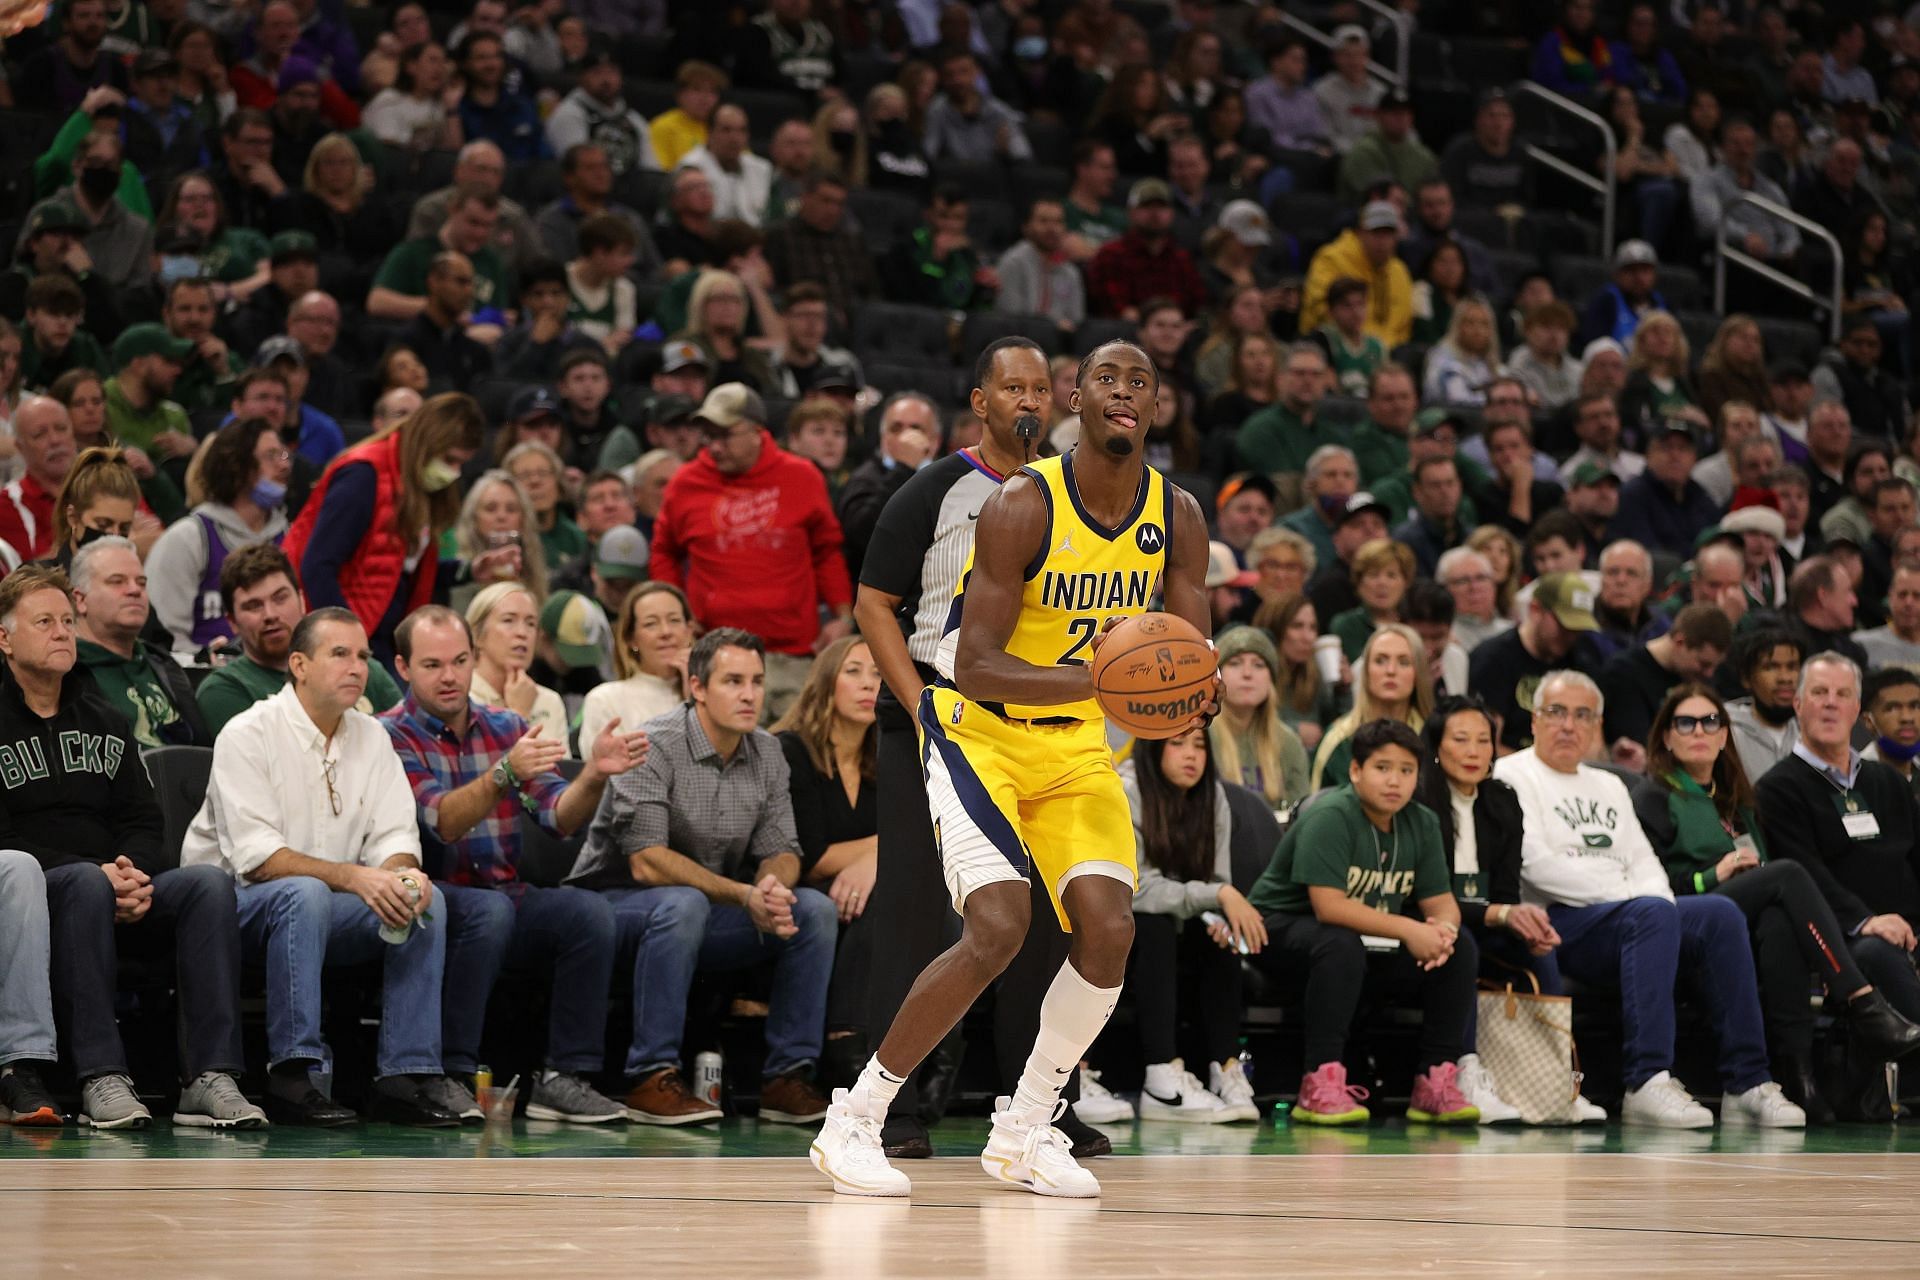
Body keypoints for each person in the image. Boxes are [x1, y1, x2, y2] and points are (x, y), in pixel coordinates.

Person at [811, 339, 1214, 1198]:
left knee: (1107, 930)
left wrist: (1190, 693)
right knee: (996, 926)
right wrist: (1106, 678)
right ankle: (856, 1117)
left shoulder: (1178, 515)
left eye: (1140, 382)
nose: (1123, 392)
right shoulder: (1022, 505)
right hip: (979, 728)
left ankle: (1026, 1127)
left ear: (1155, 408)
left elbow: (1186, 658)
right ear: (1077, 396)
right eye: (1107, 377)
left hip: (1076, 742)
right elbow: (979, 661)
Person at [855, 335, 1108, 1157]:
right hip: (938, 717)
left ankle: (1034, 1108)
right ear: (983, 401)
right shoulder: (936, 487)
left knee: (1039, 923)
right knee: (915, 914)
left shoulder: (1076, 497)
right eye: (1015, 389)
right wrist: (916, 702)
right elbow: (872, 604)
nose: (1031, 402)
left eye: (1043, 390)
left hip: (1039, 722)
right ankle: (889, 1106)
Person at [181, 607, 465, 1127]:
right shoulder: (249, 733)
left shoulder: (373, 737)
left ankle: (404, 1076)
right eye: (339, 654)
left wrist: (402, 875)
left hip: (321, 909)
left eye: (362, 655)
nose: (357, 667)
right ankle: (294, 1073)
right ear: (299, 664)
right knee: (304, 893)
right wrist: (359, 877)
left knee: (425, 900)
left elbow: (395, 837)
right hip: (232, 913)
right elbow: (260, 860)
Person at [1, 564, 262, 1130]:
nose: (62, 632)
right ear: (4, 638)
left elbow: (145, 821)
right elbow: (3, 838)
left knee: (207, 885)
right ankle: (100, 1075)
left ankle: (209, 1076)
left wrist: (134, 874)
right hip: (35, 888)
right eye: (43, 621)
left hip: (114, 883)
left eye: (68, 621)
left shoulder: (105, 716)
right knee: (83, 884)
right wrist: (95, 872)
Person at [1494, 670, 1803, 1128]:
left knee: (1719, 913)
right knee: (1652, 911)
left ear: (1597, 724)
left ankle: (1747, 1083)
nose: (1568, 725)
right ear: (1535, 720)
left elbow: (1644, 862)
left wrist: (1649, 900)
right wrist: (1636, 899)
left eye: (1582, 715)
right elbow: (1535, 866)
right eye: (1556, 712)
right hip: (1555, 922)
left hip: (1626, 915)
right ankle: (1646, 1080)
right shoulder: (1511, 775)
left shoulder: (1609, 785)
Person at [382, 604, 650, 1124]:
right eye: (433, 665)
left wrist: (594, 773)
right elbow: (443, 821)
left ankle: (563, 1076)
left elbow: (558, 818)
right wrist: (504, 773)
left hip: (504, 892)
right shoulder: (390, 735)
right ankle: (453, 1073)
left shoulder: (507, 726)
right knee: (488, 912)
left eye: (460, 661)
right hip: (430, 896)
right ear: (402, 667)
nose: (450, 676)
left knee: (588, 914)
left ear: (475, 658)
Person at [565, 627, 833, 1127]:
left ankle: (784, 1077)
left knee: (812, 909)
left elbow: (783, 849)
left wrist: (773, 885)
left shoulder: (768, 751)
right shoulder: (654, 744)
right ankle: (650, 1075)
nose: (750, 694)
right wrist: (745, 893)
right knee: (681, 902)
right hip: (612, 909)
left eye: (756, 681)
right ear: (698, 688)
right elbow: (646, 860)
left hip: (704, 910)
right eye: (733, 681)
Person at [1636, 681, 1920, 1121]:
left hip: (1742, 917)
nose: (1699, 731)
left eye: (1711, 721)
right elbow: (1646, 883)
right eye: (1685, 722)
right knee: (1787, 874)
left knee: (1780, 922)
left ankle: (1797, 1076)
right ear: (1667, 737)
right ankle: (1861, 999)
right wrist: (1713, 874)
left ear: (1725, 734)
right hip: (1685, 915)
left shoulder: (1736, 799)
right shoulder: (1653, 796)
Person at [1249, 719, 1481, 1125]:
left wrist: (1441, 932)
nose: (1395, 781)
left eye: (1406, 771)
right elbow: (1329, 907)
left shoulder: (1422, 822)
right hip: (1277, 929)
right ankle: (1319, 1082)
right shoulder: (1331, 815)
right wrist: (1412, 930)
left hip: (1360, 940)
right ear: (1355, 771)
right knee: (1338, 943)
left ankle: (1435, 1082)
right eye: (1382, 768)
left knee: (1460, 947)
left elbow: (1442, 902)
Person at [647, 384, 851, 722]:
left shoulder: (801, 476)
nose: (714, 445)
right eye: (708, 435)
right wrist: (677, 614)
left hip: (792, 655)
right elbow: (663, 552)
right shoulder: (685, 483)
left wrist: (842, 617)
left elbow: (827, 551)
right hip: (715, 655)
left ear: (758, 432)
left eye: (725, 435)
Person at [1415, 695, 1566, 1123]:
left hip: (1488, 916)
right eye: (1460, 739)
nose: (1474, 751)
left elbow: (1506, 889)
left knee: (1540, 945)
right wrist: (1500, 914)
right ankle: (1464, 1071)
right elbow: (1428, 894)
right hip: (1431, 921)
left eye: (1484, 741)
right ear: (1437, 747)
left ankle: (1551, 1081)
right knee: (1459, 942)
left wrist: (1522, 920)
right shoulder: (1420, 802)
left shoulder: (1502, 800)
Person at [1756, 653, 1920, 1043]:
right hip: (1843, 935)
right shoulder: (1777, 789)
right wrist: (1867, 921)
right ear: (1798, 705)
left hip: (1908, 926)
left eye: (1842, 693)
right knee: (1876, 954)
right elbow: (1805, 874)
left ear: (1858, 710)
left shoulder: (1887, 781)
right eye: (1819, 692)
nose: (1830, 702)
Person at [282, 393, 490, 668]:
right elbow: (317, 566)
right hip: (353, 640)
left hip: (386, 639)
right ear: (427, 443)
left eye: (461, 463)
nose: (454, 472)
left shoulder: (416, 485)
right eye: (450, 459)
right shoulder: (363, 476)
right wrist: (345, 643)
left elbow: (398, 572)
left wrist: (468, 570)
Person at [1117, 726, 1259, 1122]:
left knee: (1219, 937)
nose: (1191, 755)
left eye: (1199, 744)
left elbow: (1217, 883)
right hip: (1126, 929)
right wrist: (1217, 898)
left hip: (1184, 924)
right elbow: (1137, 890)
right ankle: (1161, 1079)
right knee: (1156, 926)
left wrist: (1218, 916)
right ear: (1153, 746)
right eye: (1177, 743)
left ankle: (1225, 1070)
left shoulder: (1213, 798)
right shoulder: (1127, 790)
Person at [771, 635, 881, 1078]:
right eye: (853, 671)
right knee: (881, 899)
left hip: (866, 889)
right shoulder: (791, 749)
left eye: (877, 674)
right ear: (824, 682)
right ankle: (844, 1042)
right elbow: (810, 854)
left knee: (918, 902)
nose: (867, 684)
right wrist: (886, 849)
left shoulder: (888, 755)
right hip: (796, 887)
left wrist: (877, 861)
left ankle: (938, 1054)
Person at [194, 543, 403, 736]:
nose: (270, 614)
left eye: (280, 598)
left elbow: (405, 743)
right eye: (253, 605)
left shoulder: (362, 669)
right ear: (232, 621)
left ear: (302, 601)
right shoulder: (224, 690)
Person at [144, 416, 291, 653]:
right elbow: (162, 641)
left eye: (284, 455)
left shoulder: (291, 537)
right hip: (203, 678)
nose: (284, 465)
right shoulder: (188, 538)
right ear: (238, 466)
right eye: (271, 456)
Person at [70, 536, 210, 748]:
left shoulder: (162, 664)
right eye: (117, 581)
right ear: (80, 600)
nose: (134, 590)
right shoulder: (64, 674)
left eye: (141, 583)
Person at [1468, 573, 1599, 753]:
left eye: (1577, 629)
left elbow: (1594, 743)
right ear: (1535, 609)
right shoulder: (1493, 659)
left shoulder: (1583, 661)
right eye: (1564, 626)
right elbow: (1486, 746)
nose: (1570, 636)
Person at [1311, 622, 1431, 790]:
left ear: (1418, 673)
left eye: (1404, 662)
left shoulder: (1435, 739)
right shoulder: (1339, 740)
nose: (1391, 670)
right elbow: (1317, 808)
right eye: (1380, 661)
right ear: (1366, 671)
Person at [1598, 603, 1733, 753]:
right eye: (1703, 664)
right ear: (1679, 642)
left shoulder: (1695, 675)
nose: (1709, 674)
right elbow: (1638, 750)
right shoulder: (1623, 674)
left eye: (1715, 666)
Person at [836, 392, 940, 579]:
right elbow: (862, 536)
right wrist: (904, 468)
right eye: (896, 428)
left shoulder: (950, 478)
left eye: (916, 428)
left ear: (934, 441)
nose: (905, 437)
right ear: (883, 437)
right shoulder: (864, 478)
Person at [1209, 625, 1310, 811]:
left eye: (1258, 665)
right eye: (1235, 663)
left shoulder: (1289, 744)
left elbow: (1300, 816)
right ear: (1217, 676)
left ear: (1271, 680)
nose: (1247, 674)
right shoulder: (1201, 737)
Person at [1084, 179, 1207, 322]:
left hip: (1178, 334)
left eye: (1161, 207)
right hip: (1126, 337)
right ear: (1130, 212)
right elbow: (1115, 309)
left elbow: (1196, 306)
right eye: (1146, 206)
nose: (1155, 214)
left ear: (1172, 213)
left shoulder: (1181, 258)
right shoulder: (1111, 255)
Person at [1299, 201, 1412, 350]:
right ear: (1360, 233)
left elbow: (1404, 325)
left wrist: (1384, 347)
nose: (1382, 242)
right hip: (1330, 348)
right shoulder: (1331, 259)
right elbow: (1324, 311)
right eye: (1376, 233)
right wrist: (1376, 345)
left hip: (1385, 353)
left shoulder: (1400, 271)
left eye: (1388, 234)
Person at [544, 50, 658, 177]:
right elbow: (577, 172)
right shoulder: (568, 115)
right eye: (597, 72)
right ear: (582, 77)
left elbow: (651, 170)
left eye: (612, 72)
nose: (606, 80)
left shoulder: (634, 119)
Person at [1612, 423, 1719, 557]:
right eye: (1666, 448)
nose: (1675, 455)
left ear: (1694, 458)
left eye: (1683, 449)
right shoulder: (1632, 495)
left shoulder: (1700, 496)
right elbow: (1646, 552)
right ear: (1648, 455)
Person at [1439, 547, 1510, 653]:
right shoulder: (1442, 639)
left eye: (1481, 578)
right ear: (1444, 590)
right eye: (1463, 581)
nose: (1474, 587)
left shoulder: (1511, 630)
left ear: (1494, 585)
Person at [1857, 560, 1920, 673]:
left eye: (1917, 596)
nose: (1908, 603)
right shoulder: (1861, 646)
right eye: (1902, 594)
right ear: (1890, 597)